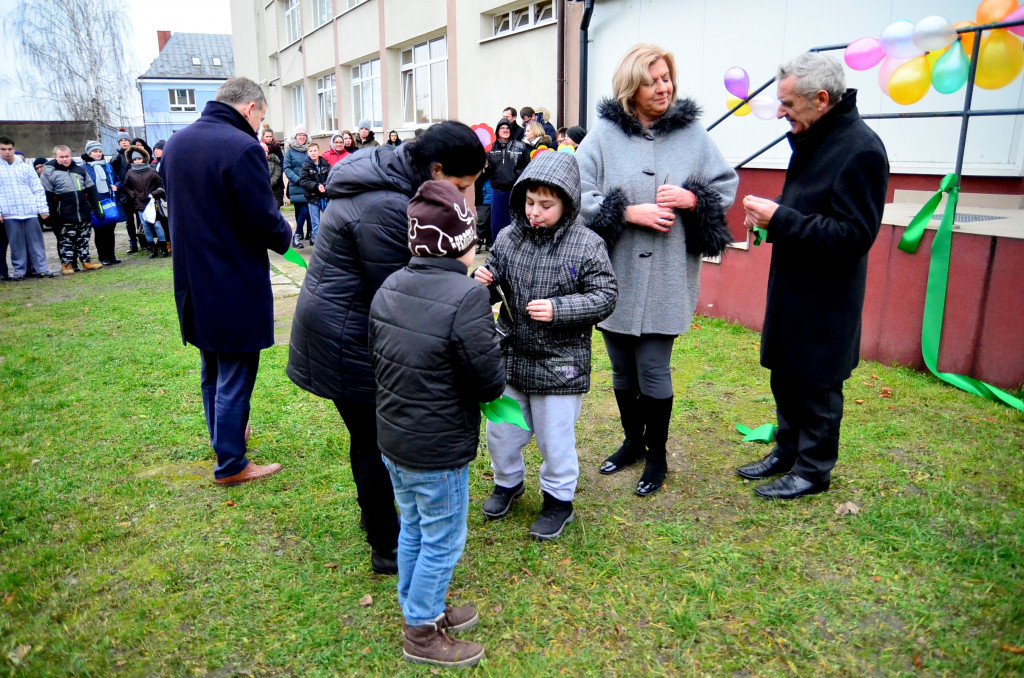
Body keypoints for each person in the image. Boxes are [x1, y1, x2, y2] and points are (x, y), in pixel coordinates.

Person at [286, 121, 487, 575]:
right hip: (346, 334)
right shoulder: (388, 205)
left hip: (351, 321)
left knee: (371, 436)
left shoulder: (390, 175)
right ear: (436, 170)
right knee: (374, 439)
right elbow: (404, 293)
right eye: (461, 186)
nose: (464, 198)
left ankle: (376, 516)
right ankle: (386, 543)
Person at [577, 43, 738, 497]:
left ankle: (658, 455)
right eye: (652, 81)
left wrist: (692, 198)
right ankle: (632, 441)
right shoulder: (604, 135)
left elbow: (725, 184)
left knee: (652, 368)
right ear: (631, 87)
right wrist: (626, 212)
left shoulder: (693, 135)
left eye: (667, 78)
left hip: (668, 273)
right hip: (614, 274)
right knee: (621, 371)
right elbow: (574, 190)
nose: (663, 87)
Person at [737, 53, 889, 500]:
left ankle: (813, 470)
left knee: (818, 384)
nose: (780, 113)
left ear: (821, 99)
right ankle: (787, 451)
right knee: (786, 374)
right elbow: (810, 203)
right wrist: (770, 217)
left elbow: (855, 235)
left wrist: (780, 218)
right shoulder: (815, 137)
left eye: (787, 103)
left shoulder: (861, 149)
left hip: (827, 295)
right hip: (793, 284)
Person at [369, 179, 504, 668]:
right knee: (443, 540)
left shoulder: (389, 285)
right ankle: (421, 631)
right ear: (462, 242)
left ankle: (418, 608)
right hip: (437, 448)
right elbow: (488, 382)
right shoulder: (467, 298)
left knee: (413, 528)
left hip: (395, 438)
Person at [474, 151, 617, 540]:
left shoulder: (587, 244)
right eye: (529, 202)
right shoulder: (508, 237)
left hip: (560, 363)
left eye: (546, 205)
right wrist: (484, 279)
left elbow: (605, 295)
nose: (535, 212)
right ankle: (507, 483)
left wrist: (559, 309)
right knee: (501, 432)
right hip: (511, 357)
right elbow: (493, 282)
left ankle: (558, 500)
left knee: (556, 439)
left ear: (567, 203)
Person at [161, 76, 294, 486]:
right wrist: (287, 236)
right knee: (235, 371)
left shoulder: (177, 143)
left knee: (212, 368)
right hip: (232, 279)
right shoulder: (242, 147)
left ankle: (224, 438)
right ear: (250, 108)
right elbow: (263, 218)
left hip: (192, 277)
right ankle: (232, 463)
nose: (260, 125)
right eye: (261, 118)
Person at [41, 145, 105, 275]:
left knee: (84, 240)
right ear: (55, 157)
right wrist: (51, 217)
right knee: (66, 242)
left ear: (71, 156)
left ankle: (86, 262)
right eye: (61, 157)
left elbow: (92, 191)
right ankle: (67, 264)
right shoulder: (49, 174)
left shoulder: (80, 171)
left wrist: (98, 210)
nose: (65, 159)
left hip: (83, 213)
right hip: (64, 216)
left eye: (67, 156)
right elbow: (46, 197)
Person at [0, 135, 51, 279]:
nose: (7, 152)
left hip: (30, 211)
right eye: (3, 149)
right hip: (10, 213)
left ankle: (41, 268)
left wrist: (42, 209)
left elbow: (37, 189)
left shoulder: (25, 168)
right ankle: (19, 271)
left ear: (14, 149)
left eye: (9, 149)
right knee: (16, 245)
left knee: (36, 243)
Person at [483, 117, 528, 242]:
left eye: (507, 128)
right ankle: (497, 245)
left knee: (514, 221)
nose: (505, 130)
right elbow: (487, 172)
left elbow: (527, 166)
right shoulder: (490, 148)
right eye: (502, 128)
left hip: (515, 191)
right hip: (497, 191)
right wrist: (485, 167)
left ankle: (514, 245)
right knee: (497, 222)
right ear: (497, 131)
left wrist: (516, 175)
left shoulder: (520, 147)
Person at [121, 144, 167, 258]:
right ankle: (152, 249)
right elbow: (126, 187)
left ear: (144, 158)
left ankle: (164, 248)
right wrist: (133, 195)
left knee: (157, 225)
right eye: (135, 159)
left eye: (139, 158)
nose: (137, 161)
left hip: (152, 203)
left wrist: (154, 194)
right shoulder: (130, 173)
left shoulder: (152, 171)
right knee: (146, 227)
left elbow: (161, 185)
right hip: (139, 204)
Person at [81, 140, 121, 265]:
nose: (98, 154)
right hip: (95, 203)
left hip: (109, 201)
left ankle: (111, 256)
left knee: (110, 231)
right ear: (89, 153)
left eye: (99, 151)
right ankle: (103, 257)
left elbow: (117, 180)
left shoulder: (108, 166)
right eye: (95, 151)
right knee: (100, 231)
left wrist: (116, 186)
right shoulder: (84, 169)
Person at [110, 132, 140, 254]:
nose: (124, 142)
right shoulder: (116, 157)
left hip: (137, 190)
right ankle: (133, 244)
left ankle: (144, 242)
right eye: (121, 140)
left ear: (129, 141)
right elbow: (113, 174)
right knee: (129, 221)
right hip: (123, 192)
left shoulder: (135, 154)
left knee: (140, 219)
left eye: (125, 140)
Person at [283, 124, 311, 248]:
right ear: (295, 136)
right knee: (302, 210)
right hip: (296, 185)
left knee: (308, 210)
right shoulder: (290, 150)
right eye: (300, 135)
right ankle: (298, 234)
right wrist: (298, 179)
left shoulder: (309, 148)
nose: (302, 137)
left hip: (308, 185)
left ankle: (309, 233)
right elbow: (287, 168)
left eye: (304, 135)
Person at [298, 142, 330, 246]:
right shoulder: (305, 166)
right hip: (312, 198)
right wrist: (316, 186)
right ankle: (318, 244)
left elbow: (331, 177)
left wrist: (324, 186)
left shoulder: (325, 164)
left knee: (329, 221)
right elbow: (303, 181)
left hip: (325, 198)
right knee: (316, 223)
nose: (313, 153)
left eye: (315, 151)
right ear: (308, 153)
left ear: (319, 152)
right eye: (311, 151)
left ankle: (329, 242)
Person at [263, 142, 284, 208]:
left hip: (275, 192)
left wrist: (266, 184)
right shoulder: (254, 163)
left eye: (265, 151)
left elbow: (276, 175)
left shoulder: (274, 161)